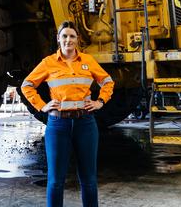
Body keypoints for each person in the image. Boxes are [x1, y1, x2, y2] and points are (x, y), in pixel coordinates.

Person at [22, 20, 114, 207]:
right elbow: (27, 85)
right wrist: (42, 106)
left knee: (89, 179)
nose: (68, 40)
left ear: (77, 39)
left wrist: (100, 102)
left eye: (72, 36)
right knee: (55, 181)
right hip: (58, 125)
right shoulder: (48, 63)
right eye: (64, 36)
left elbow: (108, 82)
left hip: (86, 124)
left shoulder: (88, 61)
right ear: (58, 39)